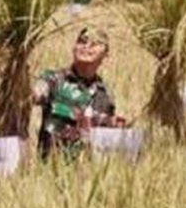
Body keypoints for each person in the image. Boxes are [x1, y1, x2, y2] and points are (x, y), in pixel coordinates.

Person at [33, 28, 127, 160]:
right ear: (73, 48)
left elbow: (105, 142)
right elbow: (34, 95)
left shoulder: (105, 94)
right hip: (52, 172)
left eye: (94, 44)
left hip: (89, 175)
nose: (86, 46)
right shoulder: (53, 80)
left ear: (106, 54)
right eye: (82, 41)